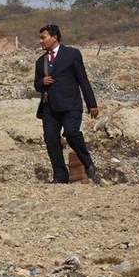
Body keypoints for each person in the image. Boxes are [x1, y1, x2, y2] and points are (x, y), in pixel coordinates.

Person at [34, 24, 100, 184]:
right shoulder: (40, 62)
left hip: (71, 105)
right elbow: (36, 85)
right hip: (49, 108)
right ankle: (60, 176)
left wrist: (92, 103)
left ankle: (88, 164)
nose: (40, 41)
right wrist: (42, 81)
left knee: (71, 133)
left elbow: (82, 80)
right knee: (51, 140)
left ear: (54, 37)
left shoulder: (72, 54)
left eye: (43, 37)